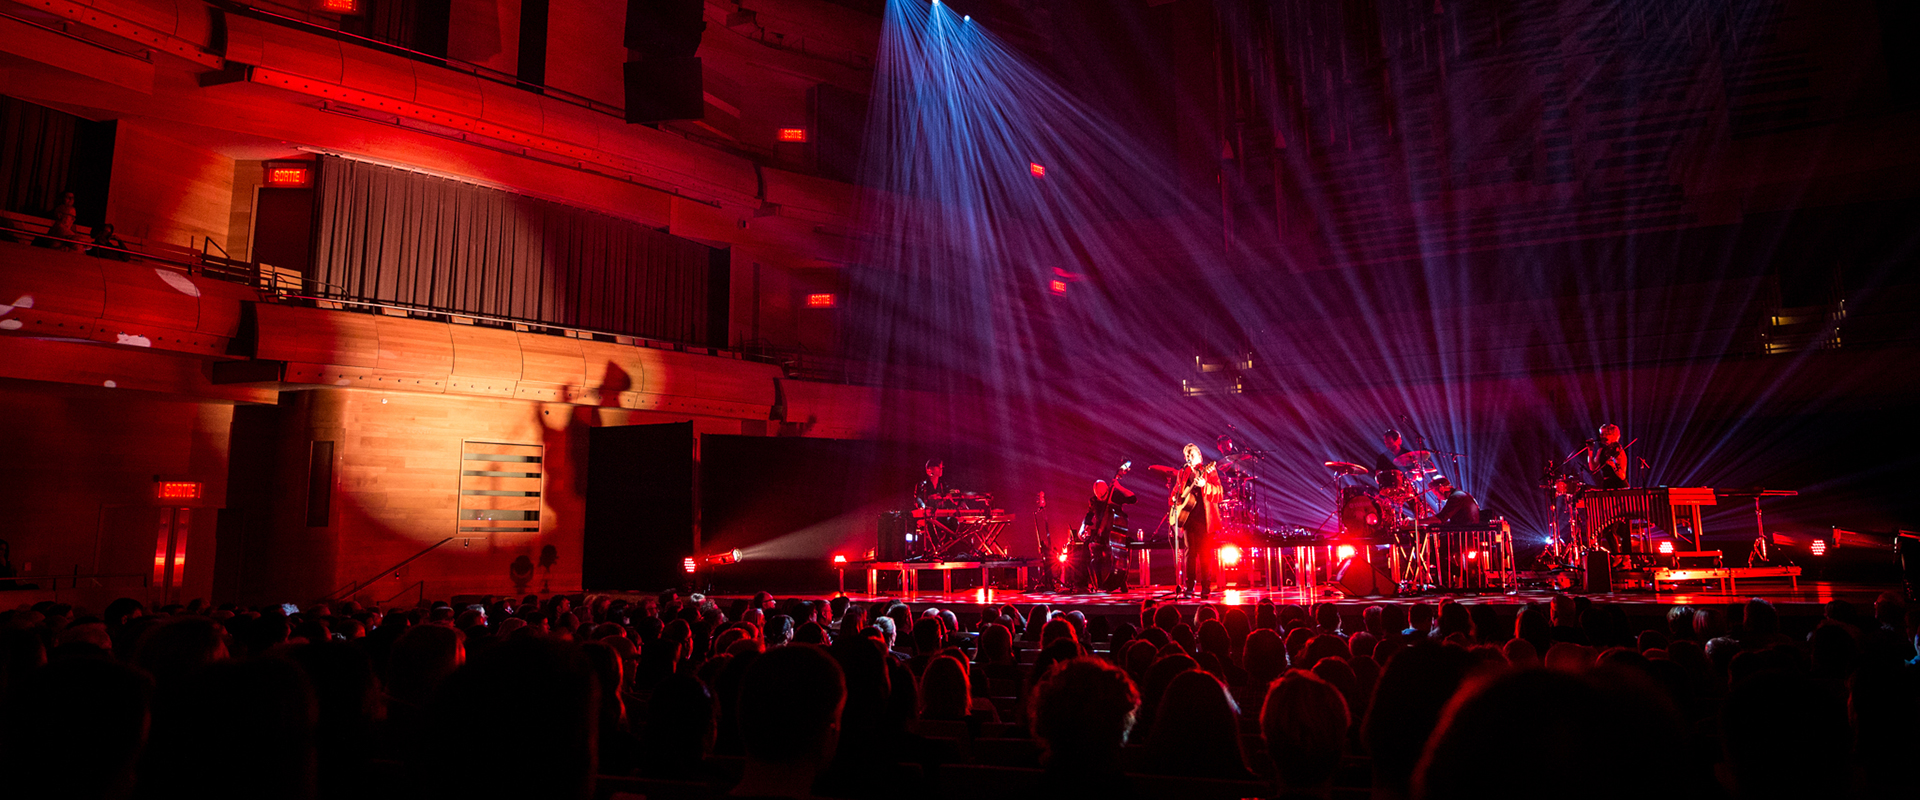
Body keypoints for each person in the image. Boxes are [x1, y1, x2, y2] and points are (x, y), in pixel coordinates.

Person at [1169, 443, 1224, 599]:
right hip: (1188, 519)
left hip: (1205, 519)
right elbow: (1177, 491)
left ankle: (1206, 586)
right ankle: (1189, 585)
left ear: (1199, 455)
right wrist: (1174, 498)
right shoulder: (1183, 472)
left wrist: (1205, 485)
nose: (1188, 457)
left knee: (1206, 553)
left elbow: (1219, 493)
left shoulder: (1209, 470)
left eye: (1191, 454)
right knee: (1189, 553)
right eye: (1186, 455)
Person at [1081, 472, 1137, 592]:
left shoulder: (1115, 495)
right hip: (1101, 534)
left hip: (1115, 535)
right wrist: (1083, 528)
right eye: (1098, 496)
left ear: (1107, 489)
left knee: (1123, 553)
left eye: (1103, 495)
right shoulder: (1094, 500)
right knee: (1089, 552)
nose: (1100, 498)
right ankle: (1095, 583)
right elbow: (1089, 515)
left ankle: (1121, 581)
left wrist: (1119, 486)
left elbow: (1133, 498)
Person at [1586, 423, 1628, 489]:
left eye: (1603, 434)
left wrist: (1613, 466)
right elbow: (1592, 467)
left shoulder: (1618, 451)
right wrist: (1590, 450)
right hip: (1607, 484)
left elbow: (1622, 476)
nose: (1600, 436)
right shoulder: (1601, 450)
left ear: (1611, 435)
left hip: (1619, 486)